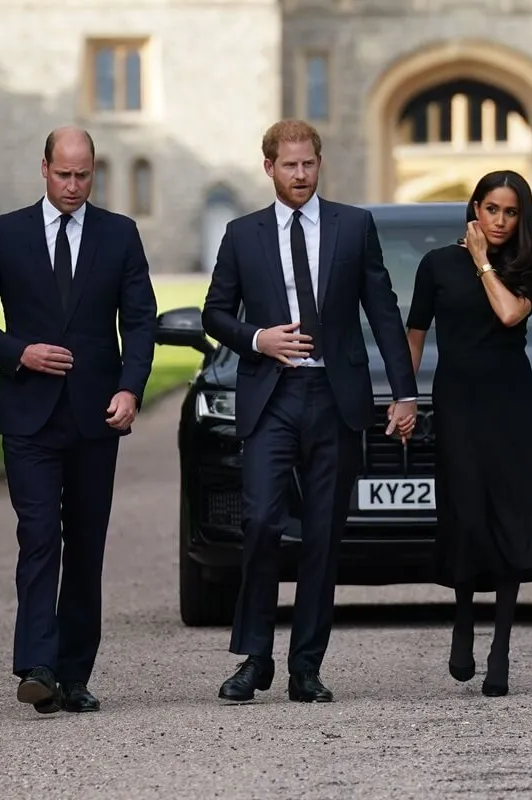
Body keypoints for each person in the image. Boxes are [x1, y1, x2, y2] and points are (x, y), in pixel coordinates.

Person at [201, 119, 419, 703]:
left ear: (319, 164)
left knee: (323, 534)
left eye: (309, 164)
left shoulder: (355, 226)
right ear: (268, 166)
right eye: (289, 165)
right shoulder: (242, 234)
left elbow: (383, 311)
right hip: (271, 396)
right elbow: (214, 313)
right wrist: (257, 339)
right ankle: (254, 657)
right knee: (263, 523)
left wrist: (404, 392)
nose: (300, 175)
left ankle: (306, 667)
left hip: (335, 398)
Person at [0, 127, 157, 714]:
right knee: (39, 536)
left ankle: (73, 675)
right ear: (43, 168)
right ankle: (37, 664)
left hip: (97, 416)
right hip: (29, 416)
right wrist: (19, 353)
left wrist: (130, 389)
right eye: (63, 174)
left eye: (83, 175)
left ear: (94, 172)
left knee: (86, 547)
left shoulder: (119, 235)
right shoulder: (6, 233)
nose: (72, 186)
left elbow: (140, 321)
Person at [404, 169, 532, 698]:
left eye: (510, 212)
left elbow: (509, 313)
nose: (499, 220)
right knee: (466, 514)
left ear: (522, 218)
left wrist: (483, 263)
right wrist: (405, 396)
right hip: (458, 406)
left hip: (511, 406)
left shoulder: (530, 267)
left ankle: (502, 649)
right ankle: (465, 620)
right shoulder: (436, 265)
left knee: (511, 515)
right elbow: (416, 336)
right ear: (474, 207)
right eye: (492, 209)